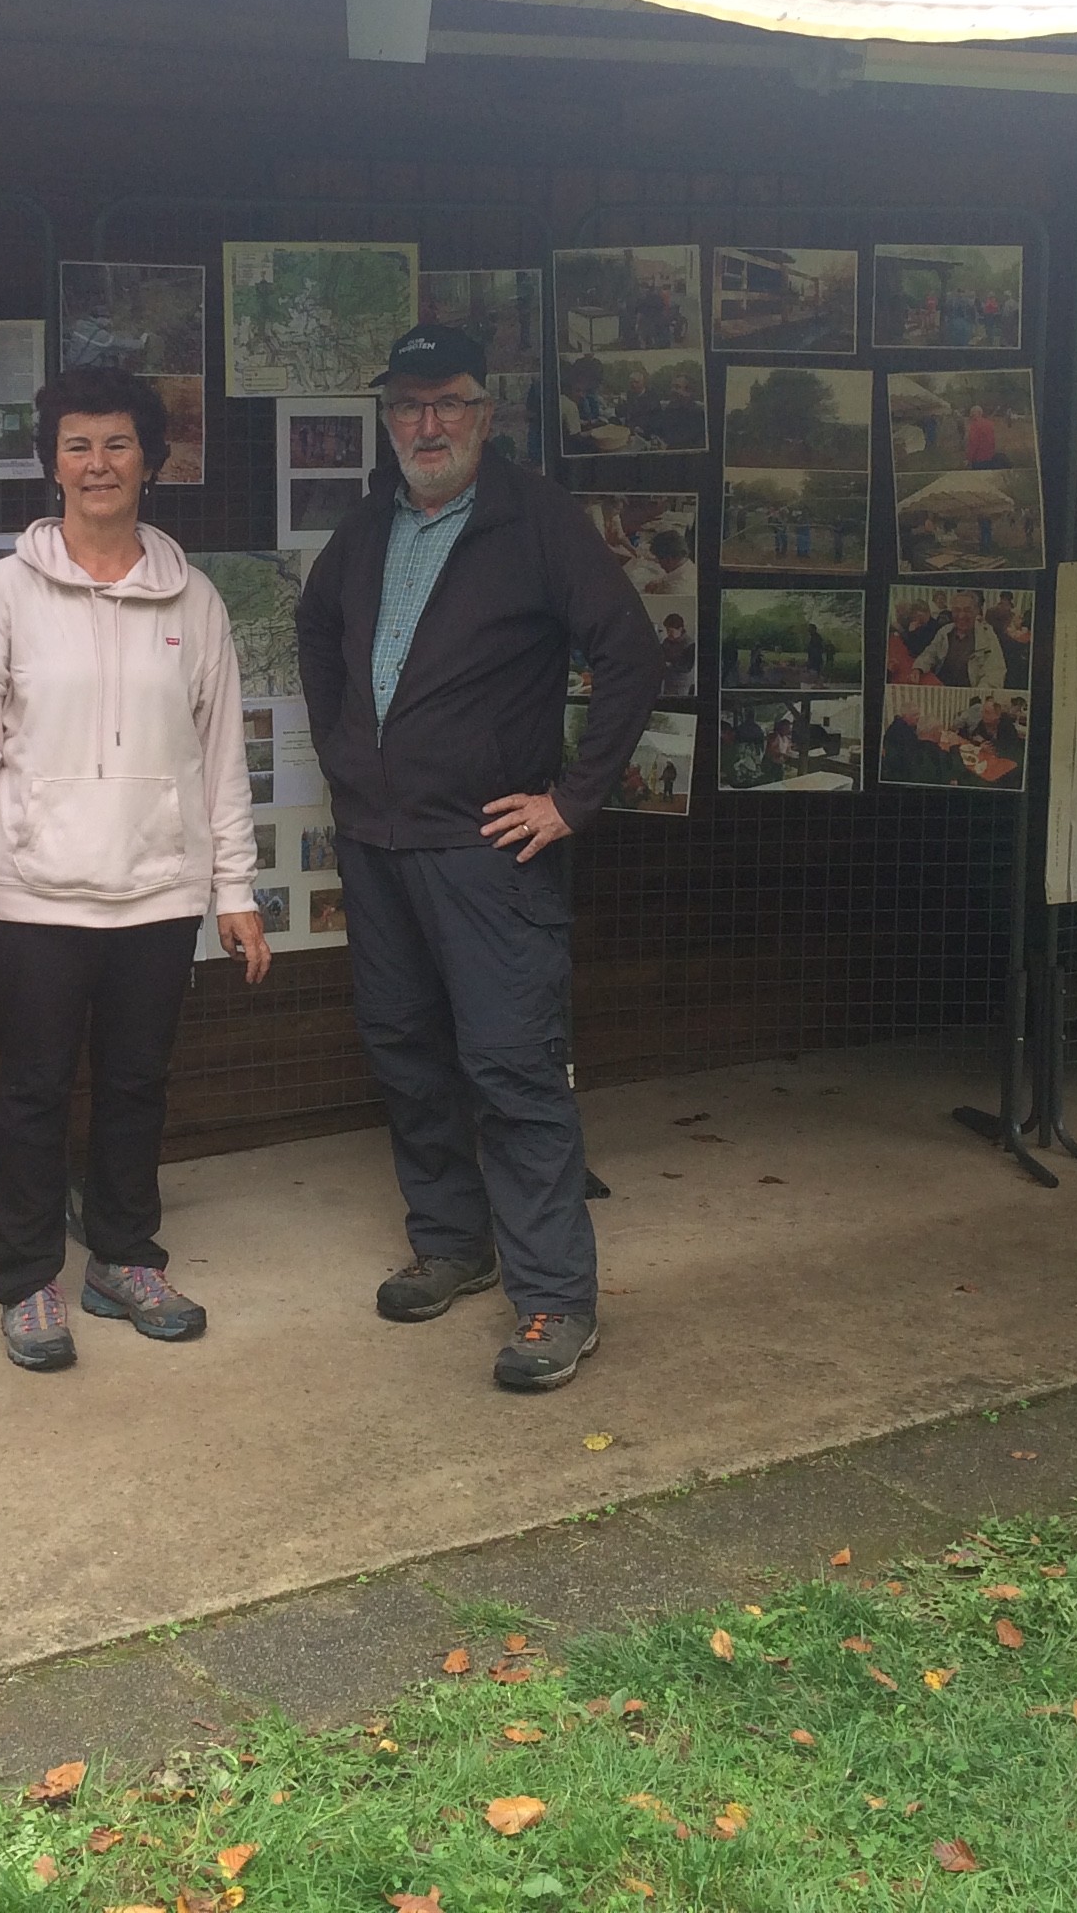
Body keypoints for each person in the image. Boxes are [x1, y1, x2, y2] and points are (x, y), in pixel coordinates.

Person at [295, 324, 658, 1394]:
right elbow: (318, 629)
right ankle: (453, 1243)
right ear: (389, 419)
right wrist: (340, 748)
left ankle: (554, 1300)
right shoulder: (368, 528)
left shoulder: (535, 520)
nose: (428, 424)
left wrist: (572, 800)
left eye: (449, 403)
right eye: (408, 406)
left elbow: (630, 655)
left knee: (510, 1068)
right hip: (379, 844)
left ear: (485, 415)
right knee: (407, 1051)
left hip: (488, 855)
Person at [0, 369, 271, 1371]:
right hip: (35, 895)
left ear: (151, 462)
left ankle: (123, 1259)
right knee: (32, 1092)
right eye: (78, 445)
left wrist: (234, 892)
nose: (98, 463)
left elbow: (219, 759)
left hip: (158, 891)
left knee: (136, 1086)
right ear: (51, 462)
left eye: (118, 445)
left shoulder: (193, 600)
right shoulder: (4, 593)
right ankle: (28, 1282)